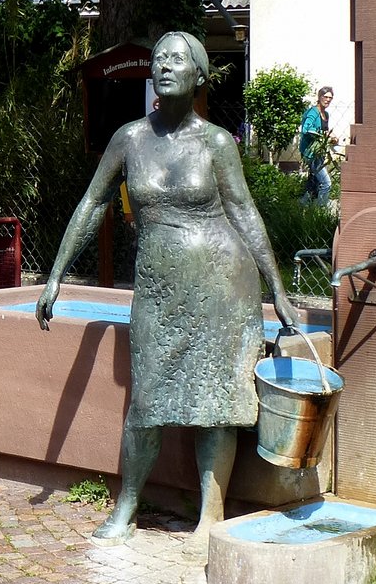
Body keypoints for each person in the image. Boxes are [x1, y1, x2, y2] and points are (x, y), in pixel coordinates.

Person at [36, 31, 296, 544]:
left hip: (224, 282)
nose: (165, 66)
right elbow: (93, 203)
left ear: (199, 74)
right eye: (158, 59)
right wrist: (56, 273)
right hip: (159, 285)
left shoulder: (217, 143)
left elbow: (244, 212)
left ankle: (211, 516)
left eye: (178, 59)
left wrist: (278, 289)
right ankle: (127, 508)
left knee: (215, 400)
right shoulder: (129, 139)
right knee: (148, 398)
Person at [299, 86, 335, 205]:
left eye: (330, 98)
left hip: (319, 152)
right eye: (325, 97)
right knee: (326, 183)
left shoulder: (326, 114)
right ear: (319, 97)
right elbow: (306, 129)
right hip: (311, 152)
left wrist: (332, 136)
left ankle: (301, 207)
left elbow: (325, 130)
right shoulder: (313, 112)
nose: (328, 100)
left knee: (313, 184)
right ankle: (321, 212)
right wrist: (323, 134)